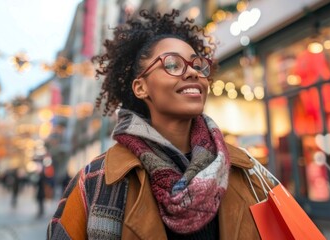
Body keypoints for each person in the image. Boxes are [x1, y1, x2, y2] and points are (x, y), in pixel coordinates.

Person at [47, 9, 272, 239]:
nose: (193, 72)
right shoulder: (97, 181)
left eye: (197, 64)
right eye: (173, 64)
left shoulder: (246, 171)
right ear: (141, 87)